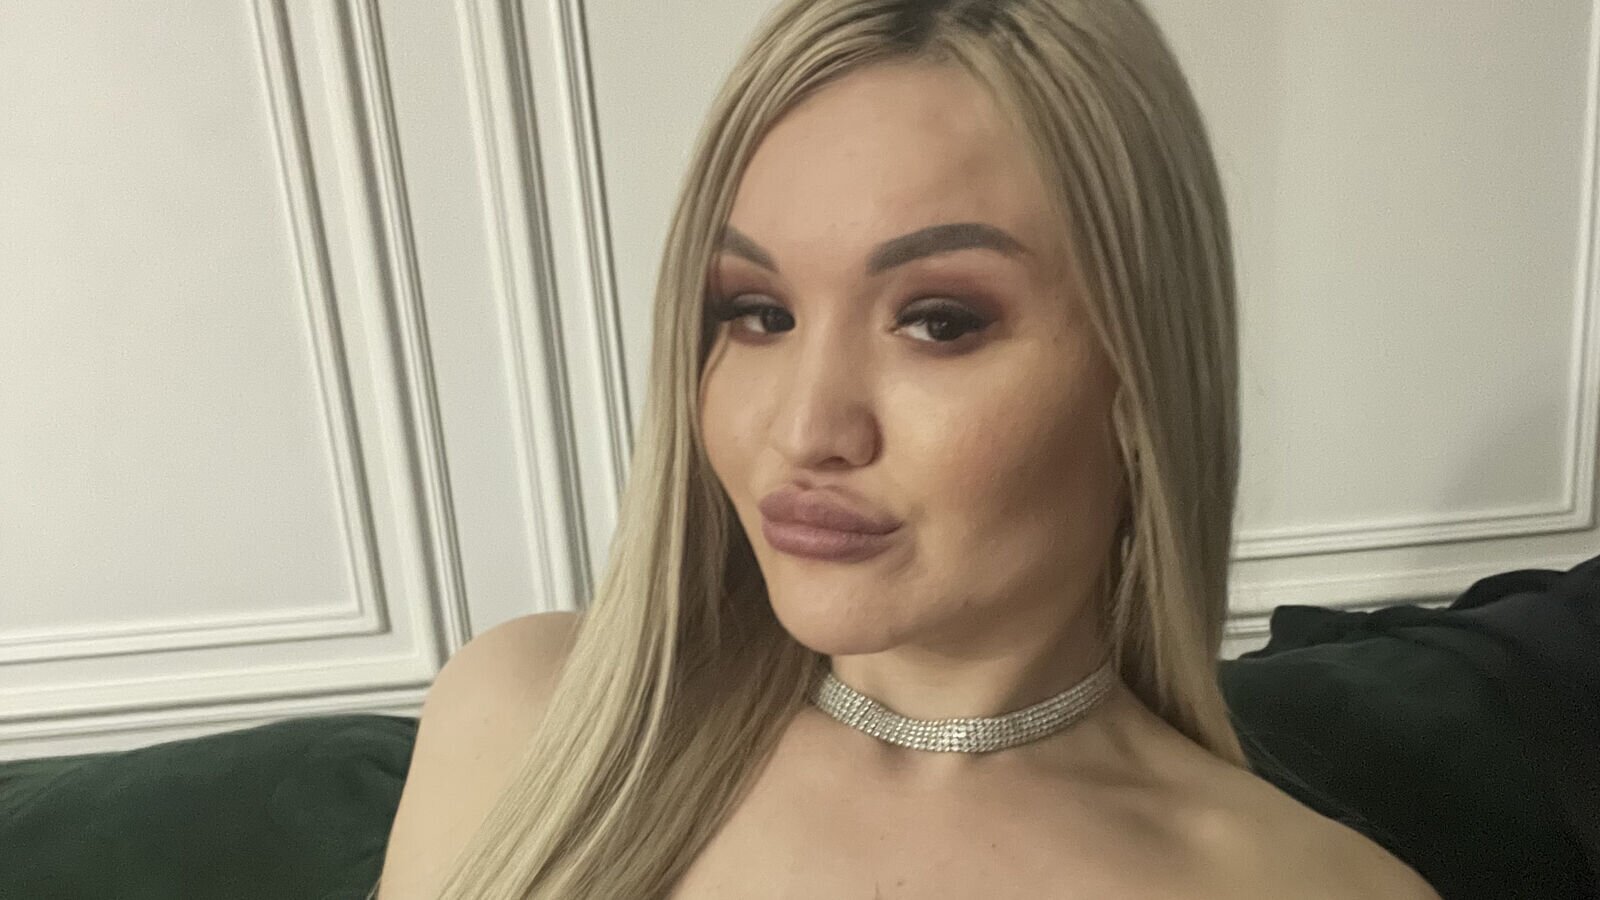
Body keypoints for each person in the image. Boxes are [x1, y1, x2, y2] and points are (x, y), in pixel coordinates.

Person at [375, 1, 1445, 897]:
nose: (805, 430)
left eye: (938, 322)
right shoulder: (526, 717)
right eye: (758, 313)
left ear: (1141, 375)